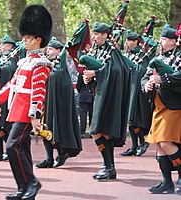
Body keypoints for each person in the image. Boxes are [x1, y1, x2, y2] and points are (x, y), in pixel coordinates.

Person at [0, 5, 52, 200]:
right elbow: (11, 85)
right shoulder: (24, 62)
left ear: (38, 39)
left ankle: (31, 182)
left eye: (28, 38)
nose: (24, 41)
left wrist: (35, 116)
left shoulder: (41, 63)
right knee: (22, 149)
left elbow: (39, 92)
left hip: (26, 112)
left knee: (12, 146)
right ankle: (23, 187)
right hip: (16, 109)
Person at [83, 22, 130, 181]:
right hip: (99, 93)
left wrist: (95, 73)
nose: (94, 37)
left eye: (97, 34)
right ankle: (109, 167)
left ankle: (108, 166)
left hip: (109, 96)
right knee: (102, 132)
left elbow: (116, 71)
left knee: (97, 131)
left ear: (105, 35)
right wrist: (87, 76)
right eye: (94, 34)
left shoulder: (113, 51)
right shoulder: (97, 50)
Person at [142, 24, 181, 195]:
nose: (161, 41)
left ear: (173, 41)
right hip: (158, 105)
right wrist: (147, 84)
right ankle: (167, 183)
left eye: (164, 39)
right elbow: (145, 76)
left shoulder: (179, 56)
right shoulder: (159, 56)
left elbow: (178, 77)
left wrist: (160, 80)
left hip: (173, 105)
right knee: (159, 144)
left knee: (166, 142)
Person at [35, 37, 82, 169]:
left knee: (55, 128)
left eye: (50, 49)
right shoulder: (45, 64)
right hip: (45, 103)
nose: (47, 51)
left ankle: (62, 152)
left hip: (58, 106)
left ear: (58, 51)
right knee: (44, 129)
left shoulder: (61, 67)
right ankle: (49, 158)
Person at [121, 30, 152, 157]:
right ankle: (134, 145)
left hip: (138, 91)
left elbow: (143, 70)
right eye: (126, 40)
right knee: (130, 120)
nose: (127, 43)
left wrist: (131, 68)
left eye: (129, 41)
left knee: (135, 119)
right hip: (129, 89)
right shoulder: (127, 54)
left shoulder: (141, 54)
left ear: (135, 42)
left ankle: (143, 142)